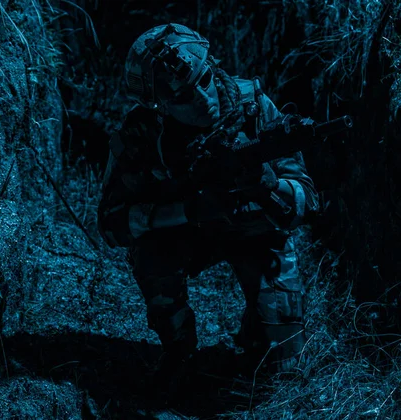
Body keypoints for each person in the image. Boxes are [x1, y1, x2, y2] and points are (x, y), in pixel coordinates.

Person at [97, 23, 319, 384]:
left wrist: (269, 186)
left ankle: (256, 330)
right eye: (184, 97)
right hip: (185, 234)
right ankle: (179, 348)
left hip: (253, 232)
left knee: (281, 367)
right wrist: (185, 212)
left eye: (204, 81)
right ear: (161, 106)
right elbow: (110, 223)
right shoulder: (142, 135)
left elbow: (306, 202)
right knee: (151, 254)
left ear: (212, 66)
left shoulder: (252, 107)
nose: (203, 98)